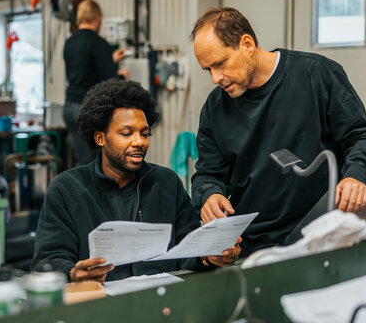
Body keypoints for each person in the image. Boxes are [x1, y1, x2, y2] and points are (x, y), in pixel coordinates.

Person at [190, 7, 366, 257]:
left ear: (247, 44)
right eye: (208, 70)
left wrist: (356, 175)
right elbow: (208, 173)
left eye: (220, 63)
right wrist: (209, 195)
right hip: (254, 250)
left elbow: (364, 137)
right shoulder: (215, 108)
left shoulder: (317, 75)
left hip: (322, 238)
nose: (216, 78)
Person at [33, 78, 240, 283]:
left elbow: (187, 249)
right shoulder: (67, 189)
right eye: (126, 133)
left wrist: (208, 256)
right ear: (100, 138)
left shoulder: (166, 183)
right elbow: (48, 262)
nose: (139, 142)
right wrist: (72, 273)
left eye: (144, 133)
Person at [62, 0, 130, 166]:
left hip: (69, 106)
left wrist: (110, 59)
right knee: (92, 163)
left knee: (82, 158)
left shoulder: (69, 42)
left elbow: (84, 68)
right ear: (97, 17)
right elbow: (110, 81)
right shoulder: (98, 43)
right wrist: (123, 76)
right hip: (85, 109)